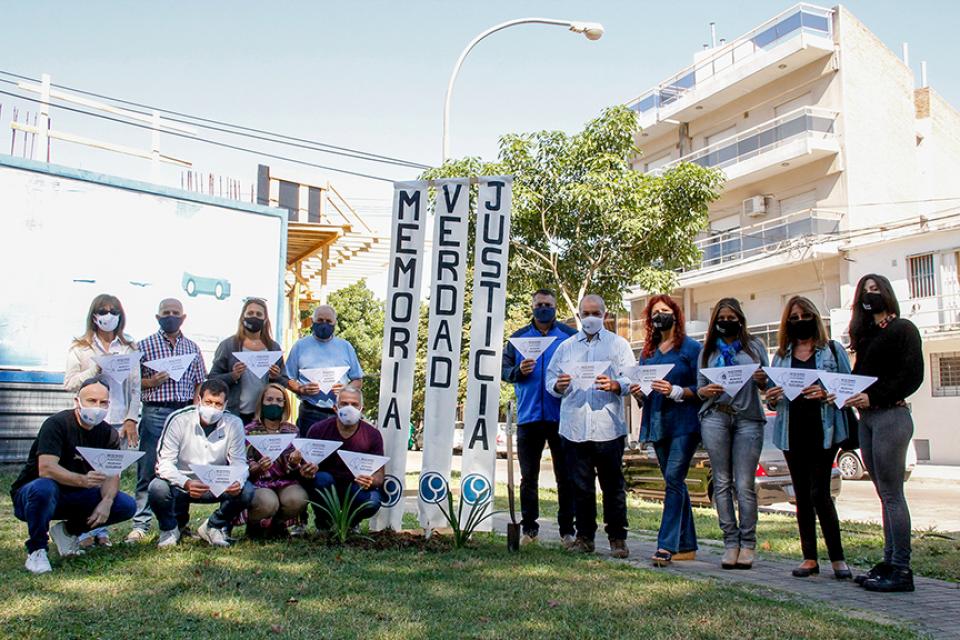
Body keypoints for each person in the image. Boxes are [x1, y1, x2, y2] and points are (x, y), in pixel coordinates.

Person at [11, 377, 137, 574]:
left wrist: (107, 501)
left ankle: (68, 532)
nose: (97, 407)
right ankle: (36, 550)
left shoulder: (109, 434)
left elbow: (112, 474)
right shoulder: (56, 424)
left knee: (125, 505)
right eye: (91, 401)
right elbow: (46, 468)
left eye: (103, 402)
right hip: (34, 496)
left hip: (76, 495)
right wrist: (82, 480)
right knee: (44, 487)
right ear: (77, 402)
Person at [846, 274, 923, 593]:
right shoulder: (864, 337)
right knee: (882, 493)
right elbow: (859, 377)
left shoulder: (903, 329)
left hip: (892, 416)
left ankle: (902, 568)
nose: (870, 296)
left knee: (893, 494)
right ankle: (888, 560)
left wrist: (874, 396)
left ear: (887, 294)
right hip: (867, 418)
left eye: (875, 290)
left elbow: (912, 376)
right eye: (865, 292)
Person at [767, 296, 853, 580]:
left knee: (821, 494)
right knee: (801, 495)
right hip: (791, 430)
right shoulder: (781, 355)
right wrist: (771, 397)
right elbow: (771, 397)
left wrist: (828, 394)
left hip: (824, 429)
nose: (799, 321)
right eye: (793, 317)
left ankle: (838, 559)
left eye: (804, 315)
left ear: (814, 318)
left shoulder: (831, 350)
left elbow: (848, 389)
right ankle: (809, 558)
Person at [545, 294, 634, 559]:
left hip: (608, 425)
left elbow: (632, 378)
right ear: (579, 316)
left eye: (596, 313)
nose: (591, 318)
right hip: (574, 426)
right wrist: (557, 386)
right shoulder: (567, 347)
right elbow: (551, 379)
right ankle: (585, 537)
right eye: (586, 313)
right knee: (580, 487)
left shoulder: (618, 345)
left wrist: (617, 385)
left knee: (613, 486)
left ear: (605, 315)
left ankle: (617, 538)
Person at [629, 295, 702, 567]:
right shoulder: (648, 353)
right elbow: (643, 392)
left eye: (665, 311)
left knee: (673, 479)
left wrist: (677, 391)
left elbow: (703, 389)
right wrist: (638, 393)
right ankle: (687, 545)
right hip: (657, 422)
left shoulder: (692, 349)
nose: (660, 316)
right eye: (655, 312)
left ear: (676, 314)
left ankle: (666, 545)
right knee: (676, 483)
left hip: (684, 424)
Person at [127, 298, 207, 543]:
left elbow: (200, 381)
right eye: (166, 312)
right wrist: (151, 382)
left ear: (183, 317)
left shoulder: (192, 348)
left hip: (183, 412)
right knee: (149, 468)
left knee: (183, 468)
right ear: (157, 316)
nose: (170, 316)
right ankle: (141, 524)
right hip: (155, 411)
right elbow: (131, 381)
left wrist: (196, 407)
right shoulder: (144, 346)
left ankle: (179, 523)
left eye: (175, 313)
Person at [697, 297, 769, 570]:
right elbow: (699, 387)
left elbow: (769, 385)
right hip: (716, 416)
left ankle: (748, 543)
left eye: (731, 317)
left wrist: (763, 380)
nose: (726, 322)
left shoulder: (755, 347)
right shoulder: (707, 351)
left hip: (748, 419)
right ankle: (730, 542)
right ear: (715, 321)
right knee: (722, 483)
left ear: (740, 319)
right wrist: (706, 391)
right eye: (721, 318)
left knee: (744, 484)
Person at [501, 288, 577, 547]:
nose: (544, 308)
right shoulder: (517, 339)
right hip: (529, 416)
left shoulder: (569, 336)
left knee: (565, 476)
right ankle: (529, 529)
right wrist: (518, 371)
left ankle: (568, 531)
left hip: (561, 415)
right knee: (528, 477)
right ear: (532, 307)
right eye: (539, 304)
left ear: (556, 307)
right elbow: (504, 370)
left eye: (548, 304)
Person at [64, 294, 141, 548]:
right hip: (86, 420)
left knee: (110, 473)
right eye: (103, 311)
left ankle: (102, 527)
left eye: (113, 311)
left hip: (117, 419)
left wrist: (131, 418)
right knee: (86, 474)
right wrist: (95, 369)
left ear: (120, 315)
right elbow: (69, 384)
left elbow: (135, 387)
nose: (108, 315)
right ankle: (83, 530)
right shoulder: (81, 347)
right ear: (94, 315)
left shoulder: (129, 347)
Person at [148, 378, 255, 548]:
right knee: (157, 488)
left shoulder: (234, 423)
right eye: (208, 402)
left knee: (247, 490)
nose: (212, 408)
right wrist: (186, 482)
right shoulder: (178, 420)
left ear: (226, 404)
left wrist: (237, 481)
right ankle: (169, 529)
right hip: (182, 483)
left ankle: (214, 525)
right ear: (199, 400)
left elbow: (240, 463)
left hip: (217, 483)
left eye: (218, 404)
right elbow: (164, 463)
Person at [304, 387, 383, 529]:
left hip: (355, 487)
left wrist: (371, 481)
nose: (349, 408)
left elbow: (379, 474)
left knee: (372, 501)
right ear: (335, 408)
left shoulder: (373, 435)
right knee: (320, 479)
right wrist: (307, 470)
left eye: (354, 404)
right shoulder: (317, 430)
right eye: (344, 404)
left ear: (362, 409)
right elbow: (305, 468)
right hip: (327, 485)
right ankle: (324, 524)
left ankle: (350, 524)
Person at [208, 298, 293, 425]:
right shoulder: (228, 345)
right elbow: (212, 380)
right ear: (243, 317)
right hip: (234, 414)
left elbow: (283, 381)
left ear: (265, 320)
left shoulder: (273, 348)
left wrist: (276, 377)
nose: (254, 317)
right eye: (250, 313)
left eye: (259, 314)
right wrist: (233, 375)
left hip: (264, 415)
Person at [242, 383, 309, 538]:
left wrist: (294, 463)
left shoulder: (292, 430)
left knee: (298, 498)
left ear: (285, 404)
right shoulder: (250, 430)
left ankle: (277, 525)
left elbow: (295, 466)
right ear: (261, 402)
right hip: (259, 482)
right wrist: (258, 467)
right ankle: (254, 525)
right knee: (268, 502)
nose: (274, 404)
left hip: (285, 481)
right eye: (269, 399)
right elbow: (245, 461)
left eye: (279, 400)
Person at [285, 304, 364, 436]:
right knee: (309, 453)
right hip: (310, 412)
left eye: (328, 321)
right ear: (312, 321)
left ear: (335, 323)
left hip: (340, 414)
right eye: (320, 320)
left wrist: (345, 389)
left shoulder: (345, 346)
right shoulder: (300, 346)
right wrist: (300, 389)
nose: (324, 324)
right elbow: (287, 378)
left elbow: (358, 380)